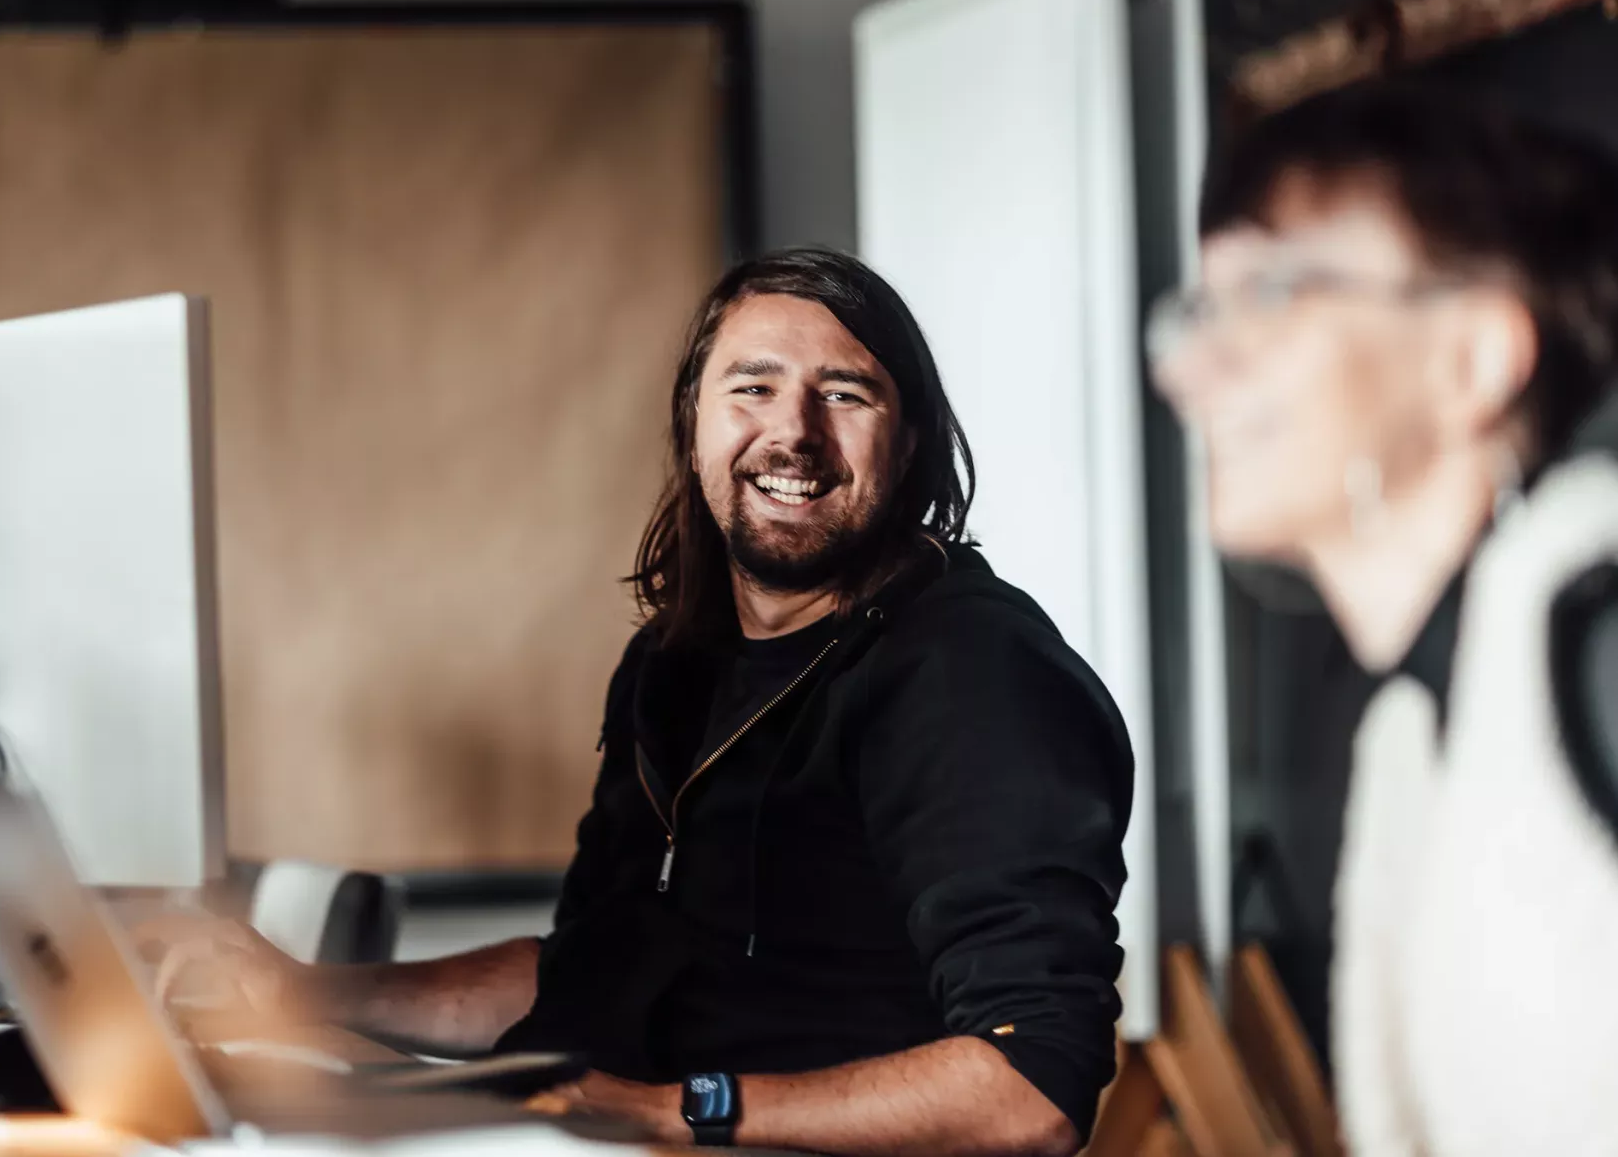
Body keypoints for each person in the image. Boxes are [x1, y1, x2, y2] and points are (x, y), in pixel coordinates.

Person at [193, 249, 1133, 1156]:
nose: (793, 432)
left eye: (844, 394)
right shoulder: (675, 660)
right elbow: (582, 974)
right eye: (752, 388)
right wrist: (308, 994)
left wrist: (668, 1111)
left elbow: (1031, 1087)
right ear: (694, 422)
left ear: (912, 439)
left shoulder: (974, 676)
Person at [1148, 84, 1618, 1157]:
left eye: (1273, 293)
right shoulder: (1420, 725)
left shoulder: (1598, 650)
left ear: (1473, 359)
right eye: (1200, 312)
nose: (1192, 371)